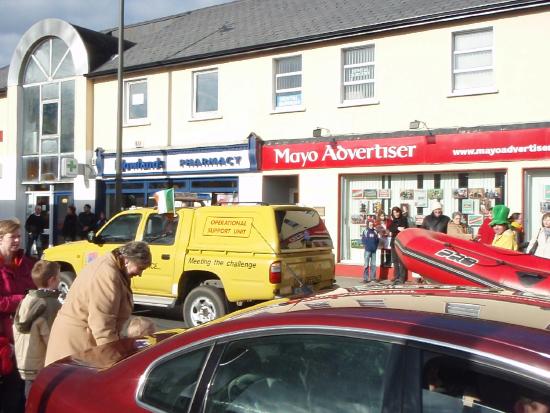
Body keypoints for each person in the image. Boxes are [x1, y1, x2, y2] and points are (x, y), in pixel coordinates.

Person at [45, 241, 152, 366]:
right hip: (76, 347)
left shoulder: (114, 267)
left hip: (81, 343)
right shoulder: (107, 275)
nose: (140, 274)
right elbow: (102, 326)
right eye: (140, 268)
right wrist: (114, 362)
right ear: (127, 260)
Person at [0, 219, 36, 413]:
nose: (17, 241)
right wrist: (20, 300)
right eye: (12, 237)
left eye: (18, 236)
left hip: (22, 335)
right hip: (2, 338)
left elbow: (35, 290)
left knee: (17, 391)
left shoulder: (25, 263)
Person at [12, 260, 61, 399]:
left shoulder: (26, 299)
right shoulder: (50, 304)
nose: (60, 280)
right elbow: (51, 339)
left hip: (25, 361)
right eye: (58, 277)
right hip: (41, 364)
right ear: (52, 280)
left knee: (29, 399)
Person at [388, 206, 409, 284]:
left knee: (401, 260)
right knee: (395, 260)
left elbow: (404, 228)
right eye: (394, 212)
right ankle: (396, 276)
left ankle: (402, 278)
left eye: (397, 212)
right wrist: (397, 228)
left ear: (399, 212)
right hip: (393, 243)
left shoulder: (403, 219)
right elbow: (390, 229)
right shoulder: (393, 221)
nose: (396, 214)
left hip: (401, 243)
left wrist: (396, 228)